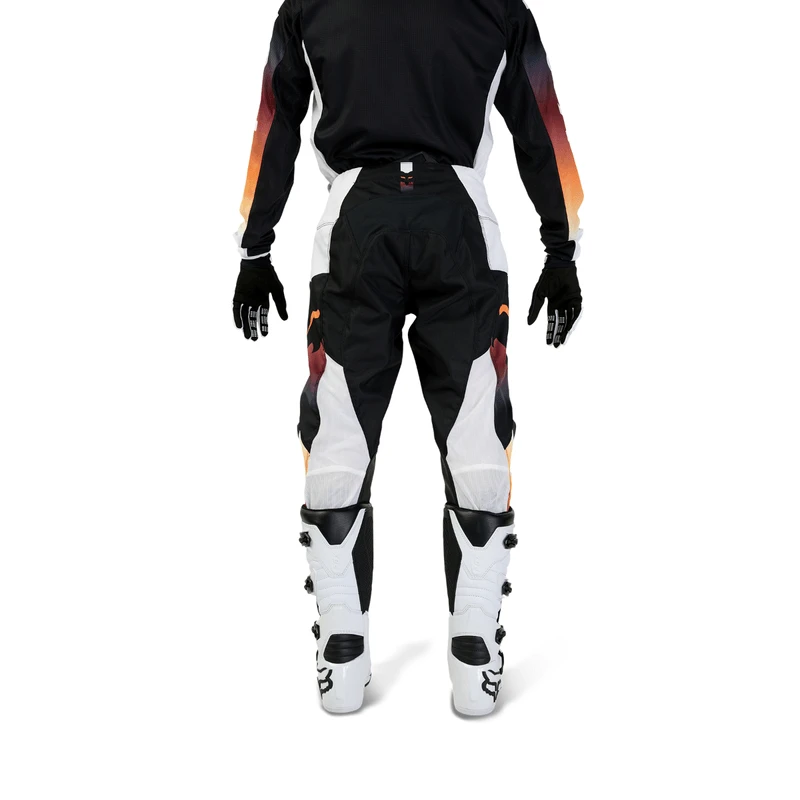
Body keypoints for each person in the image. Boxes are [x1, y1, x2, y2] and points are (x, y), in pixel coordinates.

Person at [232, 0, 583, 715]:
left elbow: (275, 122)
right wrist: (561, 243)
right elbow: (540, 121)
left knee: (338, 431)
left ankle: (341, 658)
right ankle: (474, 662)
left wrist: (255, 246)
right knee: (477, 433)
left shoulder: (307, 7)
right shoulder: (498, 7)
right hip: (460, 215)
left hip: (354, 218)